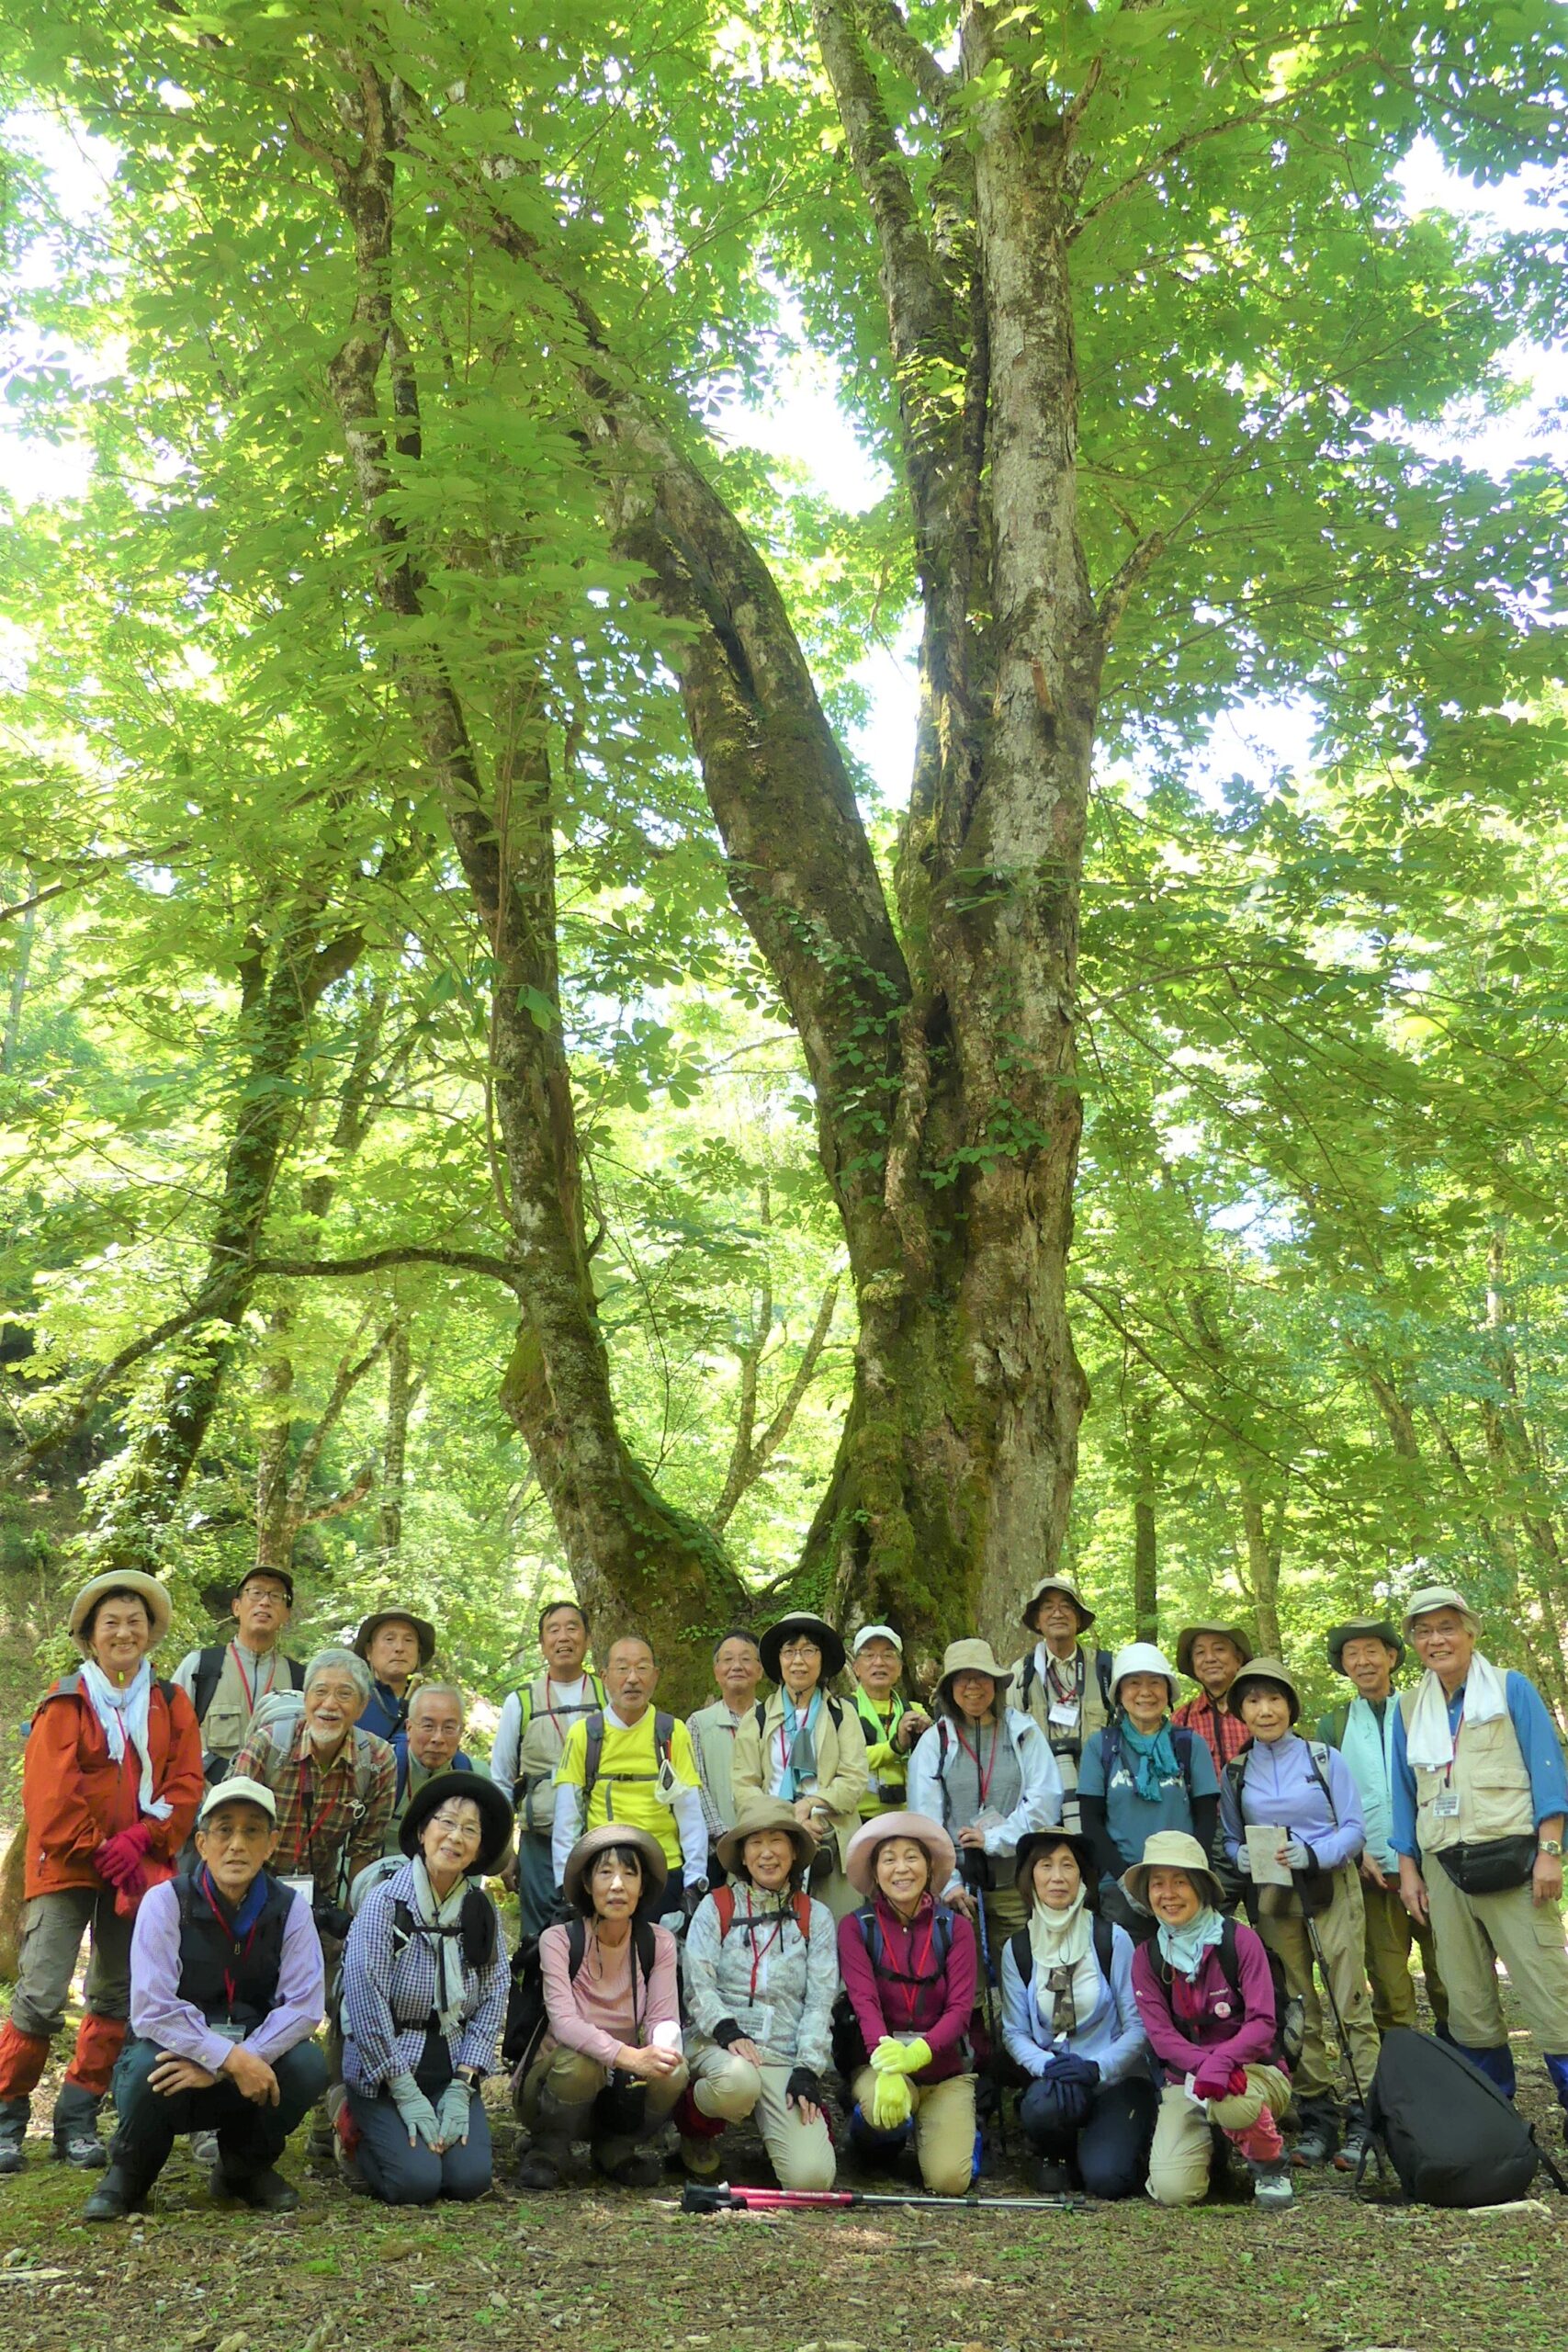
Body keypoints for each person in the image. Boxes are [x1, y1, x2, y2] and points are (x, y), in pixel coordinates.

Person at [0, 1573, 204, 2176]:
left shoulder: (170, 1702)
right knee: (40, 1993)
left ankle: (78, 2120)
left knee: (115, 1993)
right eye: (111, 1622)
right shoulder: (66, 1701)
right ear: (90, 1636)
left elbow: (185, 1782)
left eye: (135, 1622)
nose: (124, 1632)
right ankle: (7, 2118)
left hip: (138, 1869)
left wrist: (143, 1839)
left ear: (150, 1633)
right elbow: (49, 1796)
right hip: (64, 1867)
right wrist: (101, 1848)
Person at [81, 1778, 327, 2220]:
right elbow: (152, 2007)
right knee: (147, 2068)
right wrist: (225, 2058)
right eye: (224, 1830)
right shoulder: (165, 1902)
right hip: (177, 2055)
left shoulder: (291, 1909)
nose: (237, 1845)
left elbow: (304, 2007)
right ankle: (129, 2175)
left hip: (250, 2056)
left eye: (252, 1831)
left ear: (271, 1844)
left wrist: (240, 2060)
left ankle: (242, 2170)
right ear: (202, 1842)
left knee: (307, 2064)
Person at [1392, 1585, 1568, 2132]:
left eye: (1447, 1627)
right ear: (1413, 1643)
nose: (1436, 1640)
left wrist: (1550, 1852)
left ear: (1470, 1631)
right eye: (1424, 1631)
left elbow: (1548, 1770)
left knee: (1550, 1990)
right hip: (1444, 1870)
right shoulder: (1407, 1708)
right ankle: (1494, 2122)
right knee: (1466, 1998)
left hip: (1515, 1862)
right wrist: (1408, 1870)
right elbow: (1403, 1794)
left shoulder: (1511, 1688)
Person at [1220, 1656, 1377, 2168]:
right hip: (1274, 1895)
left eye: (1274, 1699)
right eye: (1253, 1701)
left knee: (1349, 1998)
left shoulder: (1324, 1759)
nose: (1265, 1710)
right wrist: (1242, 1857)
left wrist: (1314, 1853)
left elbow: (1354, 1828)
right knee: (1296, 2004)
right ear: (1241, 1711)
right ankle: (1318, 2116)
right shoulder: (1237, 1771)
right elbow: (1229, 1839)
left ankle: (1368, 2114)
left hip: (1331, 1887)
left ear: (1290, 1705)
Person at [341, 1770, 512, 2204]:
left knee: (468, 2181)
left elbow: (495, 1994)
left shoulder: (480, 1909)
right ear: (422, 1831)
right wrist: (405, 2092)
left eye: (470, 1830)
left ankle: (439, 2115)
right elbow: (365, 2001)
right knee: (415, 2183)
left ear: (479, 1849)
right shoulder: (385, 1903)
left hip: (451, 2064)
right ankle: (351, 2129)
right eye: (446, 1822)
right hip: (387, 2067)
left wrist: (462, 2086)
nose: (455, 1837)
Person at [677, 1797, 839, 2189]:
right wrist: (726, 2029)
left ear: (794, 1851)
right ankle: (691, 2126)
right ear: (743, 1856)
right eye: (756, 1843)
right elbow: (697, 1983)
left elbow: (821, 2001)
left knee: (812, 2180)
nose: (767, 1853)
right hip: (718, 2046)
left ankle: (779, 2138)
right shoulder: (716, 1906)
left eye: (777, 1840)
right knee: (738, 2083)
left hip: (783, 2053)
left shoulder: (815, 1917)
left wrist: (807, 2068)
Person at [1128, 1830, 1294, 2208]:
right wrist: (1206, 2066)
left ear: (1201, 1887)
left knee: (1232, 2102)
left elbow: (1262, 2023)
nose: (1168, 1894)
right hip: (1186, 2079)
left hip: (1253, 2071)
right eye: (1157, 1884)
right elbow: (1161, 2037)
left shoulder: (1240, 1941)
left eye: (1180, 1882)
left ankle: (1271, 2166)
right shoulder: (1147, 1957)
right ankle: (1214, 2149)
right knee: (1173, 2190)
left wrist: (1223, 2062)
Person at [516, 1824, 687, 2189]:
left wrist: (663, 2048)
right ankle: (548, 2149)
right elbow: (565, 2024)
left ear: (642, 1886)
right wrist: (630, 2057)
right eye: (605, 1872)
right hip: (552, 2082)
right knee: (582, 2064)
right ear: (587, 1883)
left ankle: (616, 2147)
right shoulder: (559, 1940)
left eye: (629, 1873)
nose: (617, 1885)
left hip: (619, 2087)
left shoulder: (658, 1942)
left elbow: (662, 2016)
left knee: (674, 2070)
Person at [1000, 1829, 1156, 2199]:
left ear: (1082, 1876)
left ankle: (1122, 2144)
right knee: (1042, 2107)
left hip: (1114, 2080)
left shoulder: (1110, 1939)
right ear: (1030, 1877)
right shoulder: (1018, 1949)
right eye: (1045, 1865)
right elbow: (1014, 2032)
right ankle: (1056, 2154)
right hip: (1057, 2082)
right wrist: (1047, 2066)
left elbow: (1137, 2026)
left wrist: (1097, 2067)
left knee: (1106, 2180)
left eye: (1067, 1865)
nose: (1057, 1877)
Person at [1317, 1617, 1448, 2038]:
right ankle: (1402, 2060)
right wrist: (1355, 1853)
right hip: (1372, 1873)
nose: (1363, 1661)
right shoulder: (1333, 1725)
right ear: (1343, 1665)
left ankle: (1463, 2056)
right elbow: (1325, 1800)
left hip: (1435, 1863)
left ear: (1392, 1657)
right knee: (1389, 1982)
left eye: (1372, 1651)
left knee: (1451, 1972)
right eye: (1352, 1654)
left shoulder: (1422, 1708)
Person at [837, 1811, 976, 2195]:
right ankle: (873, 2147)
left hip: (943, 2073)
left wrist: (918, 2053)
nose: (902, 1869)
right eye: (889, 1859)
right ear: (875, 1871)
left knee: (949, 2181)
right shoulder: (855, 1927)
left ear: (929, 1867)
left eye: (912, 1857)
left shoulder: (956, 1929)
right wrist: (887, 2062)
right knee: (885, 2115)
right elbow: (864, 2002)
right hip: (880, 2064)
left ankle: (953, 2134)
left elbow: (960, 2011)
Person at [905, 1639, 1062, 1951]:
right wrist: (947, 1883)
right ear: (950, 1688)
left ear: (996, 1684)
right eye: (963, 1678)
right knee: (963, 1976)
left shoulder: (1024, 1732)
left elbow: (1045, 1802)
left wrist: (994, 1838)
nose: (973, 1686)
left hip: (1016, 1883)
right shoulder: (935, 1742)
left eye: (981, 1677)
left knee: (1020, 1968)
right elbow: (925, 1819)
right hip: (956, 1889)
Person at [230, 1648, 397, 1924]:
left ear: (362, 1706)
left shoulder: (377, 1761)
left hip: (317, 1900)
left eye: (344, 1694)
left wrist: (355, 1924)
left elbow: (365, 1850)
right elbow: (229, 1829)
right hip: (249, 1889)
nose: (329, 1704)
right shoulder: (268, 1745)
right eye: (320, 1691)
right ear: (306, 1697)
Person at [552, 1636, 708, 1919]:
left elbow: (690, 1812)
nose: (633, 1679)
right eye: (622, 1668)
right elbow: (567, 1816)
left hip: (663, 1870)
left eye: (642, 1668)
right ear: (604, 1677)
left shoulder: (672, 1732)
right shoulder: (585, 1734)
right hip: (605, 1869)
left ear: (655, 1676)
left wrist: (694, 1881)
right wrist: (566, 1885)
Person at [731, 1612, 870, 1920]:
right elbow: (743, 1785)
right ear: (779, 1660)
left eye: (809, 1651)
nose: (798, 1661)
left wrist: (809, 1805)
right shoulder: (757, 1719)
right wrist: (785, 1819)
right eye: (790, 1651)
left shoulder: (842, 1714)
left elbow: (854, 1779)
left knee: (837, 1928)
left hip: (829, 1838)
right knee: (768, 1930)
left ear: (822, 1659)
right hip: (770, 1836)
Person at [1077, 1644, 1220, 1938]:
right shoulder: (1100, 1746)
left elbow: (1207, 1819)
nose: (1145, 1692)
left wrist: (1192, 1876)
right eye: (1134, 1683)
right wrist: (1126, 1882)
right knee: (1130, 1966)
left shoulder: (1189, 1744)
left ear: (1168, 1691)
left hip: (1183, 1884)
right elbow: (1091, 1822)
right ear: (1119, 1693)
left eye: (1155, 1682)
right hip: (1119, 1887)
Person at [491, 1600, 606, 1938]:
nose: (563, 1637)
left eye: (572, 1628)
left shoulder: (608, 1695)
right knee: (541, 1939)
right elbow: (501, 1780)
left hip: (601, 1837)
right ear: (542, 1644)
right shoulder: (521, 1702)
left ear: (587, 1639)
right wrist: (506, 1852)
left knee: (605, 1932)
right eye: (553, 1630)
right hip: (540, 1840)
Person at [172, 1569, 306, 1780]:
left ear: (286, 1614)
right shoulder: (201, 1666)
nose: (265, 1602)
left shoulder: (299, 1678)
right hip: (209, 1795)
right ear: (236, 1607)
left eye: (275, 1596)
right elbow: (170, 1736)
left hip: (273, 1796)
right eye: (256, 1593)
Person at [1006, 1575, 1112, 1835]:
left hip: (1101, 1794)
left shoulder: (1105, 1668)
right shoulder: (1021, 1674)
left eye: (1066, 1606)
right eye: (1048, 1607)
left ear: (1078, 1618)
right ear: (1037, 1621)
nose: (1057, 1613)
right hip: (1042, 1799)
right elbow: (1009, 1740)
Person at [686, 1628, 764, 1872]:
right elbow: (696, 1786)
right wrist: (723, 1836)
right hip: (717, 1853)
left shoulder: (775, 1719)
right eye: (728, 1659)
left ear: (760, 1670)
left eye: (746, 1659)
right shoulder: (698, 1724)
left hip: (769, 1848)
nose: (737, 1666)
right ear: (716, 1672)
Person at [849, 1625, 931, 1819]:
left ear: (900, 1668)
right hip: (857, 1818)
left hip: (907, 1816)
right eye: (869, 1655)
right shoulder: (844, 1710)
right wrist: (896, 1746)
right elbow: (849, 1759)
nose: (879, 1663)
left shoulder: (914, 1711)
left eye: (888, 1655)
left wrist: (929, 1732)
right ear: (856, 1668)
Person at [387, 1684, 475, 1853]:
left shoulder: (474, 1776)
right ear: (409, 1728)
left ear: (461, 1732)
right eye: (428, 1726)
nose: (438, 1738)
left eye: (449, 1728)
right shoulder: (382, 1767)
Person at [1171, 1623, 1255, 1778]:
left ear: (1238, 1659)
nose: (1209, 1658)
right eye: (1200, 1652)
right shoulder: (1181, 1720)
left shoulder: (1260, 1711)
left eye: (1219, 1649)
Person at [353, 1610, 437, 1743]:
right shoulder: (354, 1700)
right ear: (369, 1650)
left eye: (408, 1640)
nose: (399, 1648)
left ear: (418, 1652)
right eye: (389, 1639)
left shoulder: (430, 1704)